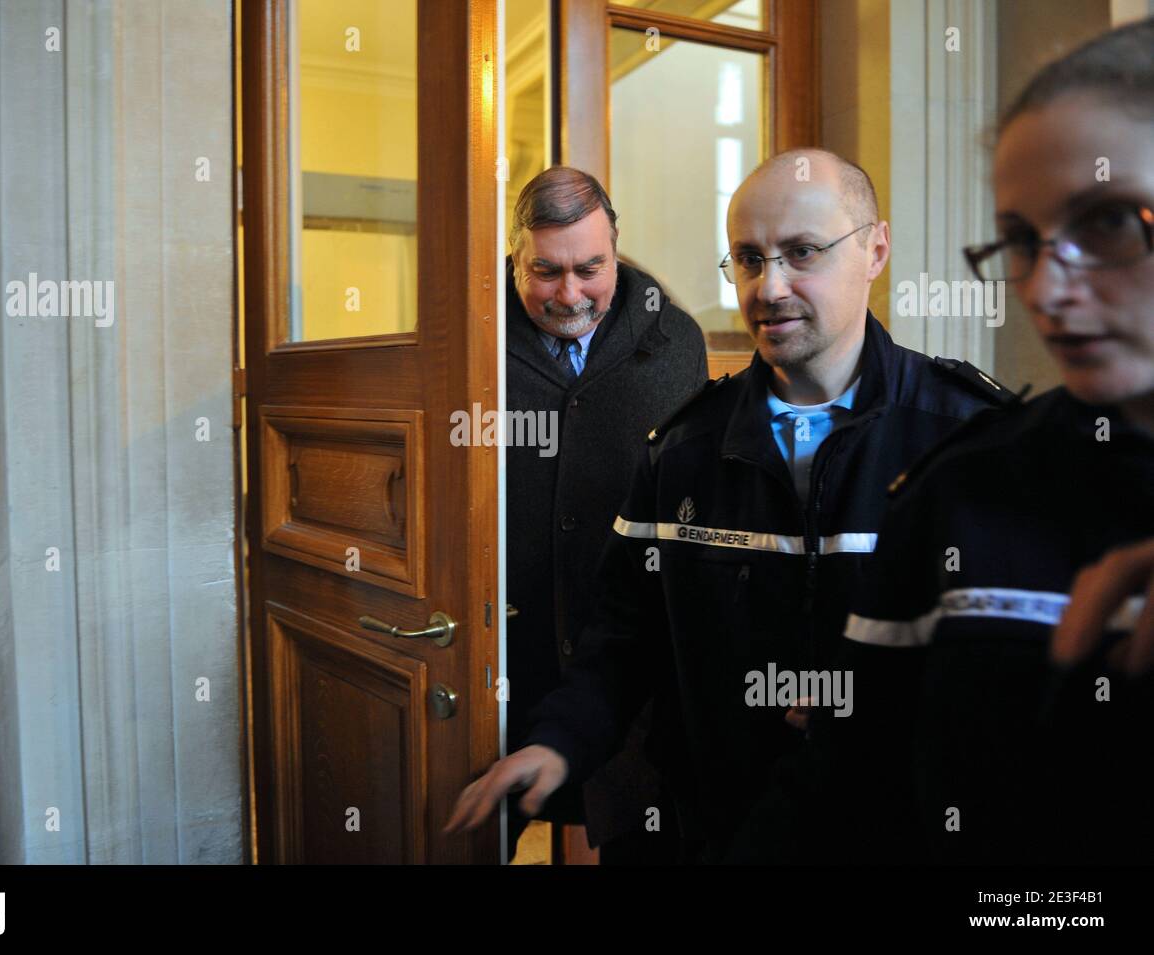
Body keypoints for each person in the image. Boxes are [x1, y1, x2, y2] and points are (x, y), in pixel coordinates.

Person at [449, 148, 1013, 863]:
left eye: (802, 252)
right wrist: (562, 741)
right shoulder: (681, 449)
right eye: (748, 258)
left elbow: (1029, 666)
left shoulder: (968, 441)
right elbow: (624, 636)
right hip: (715, 831)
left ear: (876, 250)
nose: (769, 286)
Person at [731, 16, 1154, 865]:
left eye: (1107, 223)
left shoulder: (950, 417)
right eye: (1022, 242)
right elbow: (847, 778)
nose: (1046, 289)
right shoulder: (965, 488)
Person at [502, 166, 708, 863]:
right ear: (513, 256)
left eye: (590, 267)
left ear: (615, 247)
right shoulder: (463, 339)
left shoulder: (675, 343)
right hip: (496, 649)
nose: (570, 293)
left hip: (627, 650)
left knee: (632, 829)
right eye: (546, 271)